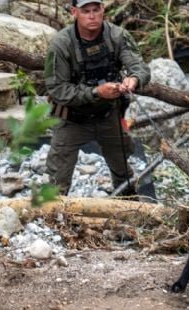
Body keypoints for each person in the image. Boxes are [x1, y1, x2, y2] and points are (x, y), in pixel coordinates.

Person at [44, 0, 151, 196]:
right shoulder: (61, 44)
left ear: (103, 10)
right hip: (71, 119)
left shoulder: (117, 36)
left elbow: (140, 67)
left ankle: (130, 209)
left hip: (108, 115)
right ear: (75, 12)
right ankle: (54, 218)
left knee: (123, 170)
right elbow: (57, 88)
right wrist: (95, 93)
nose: (92, 16)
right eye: (86, 11)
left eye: (96, 10)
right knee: (57, 179)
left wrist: (133, 79)